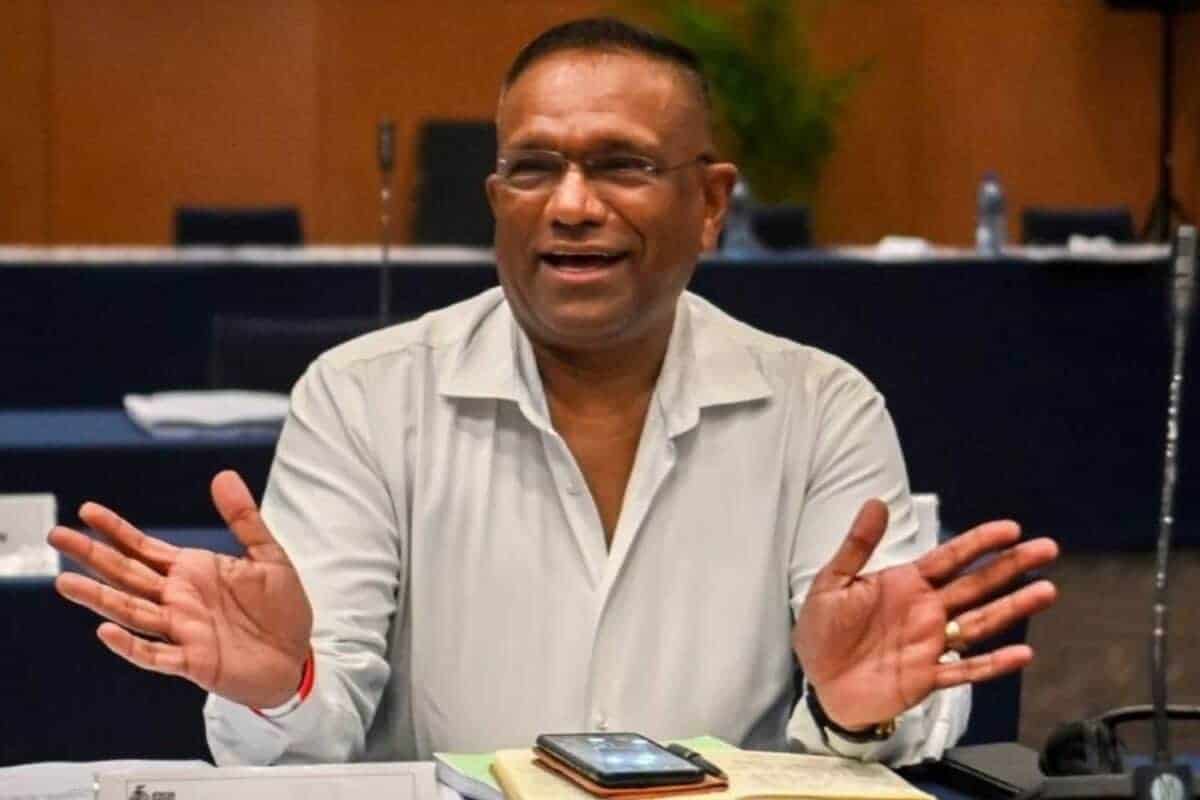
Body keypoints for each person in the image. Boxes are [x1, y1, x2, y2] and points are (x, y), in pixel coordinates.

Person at [48, 18, 1058, 767]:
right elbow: (310, 736)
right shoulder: (362, 401)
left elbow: (877, 702)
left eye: (621, 165)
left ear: (710, 202)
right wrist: (284, 682)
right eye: (534, 169)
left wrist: (854, 711)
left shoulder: (822, 409)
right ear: (497, 200)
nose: (572, 205)